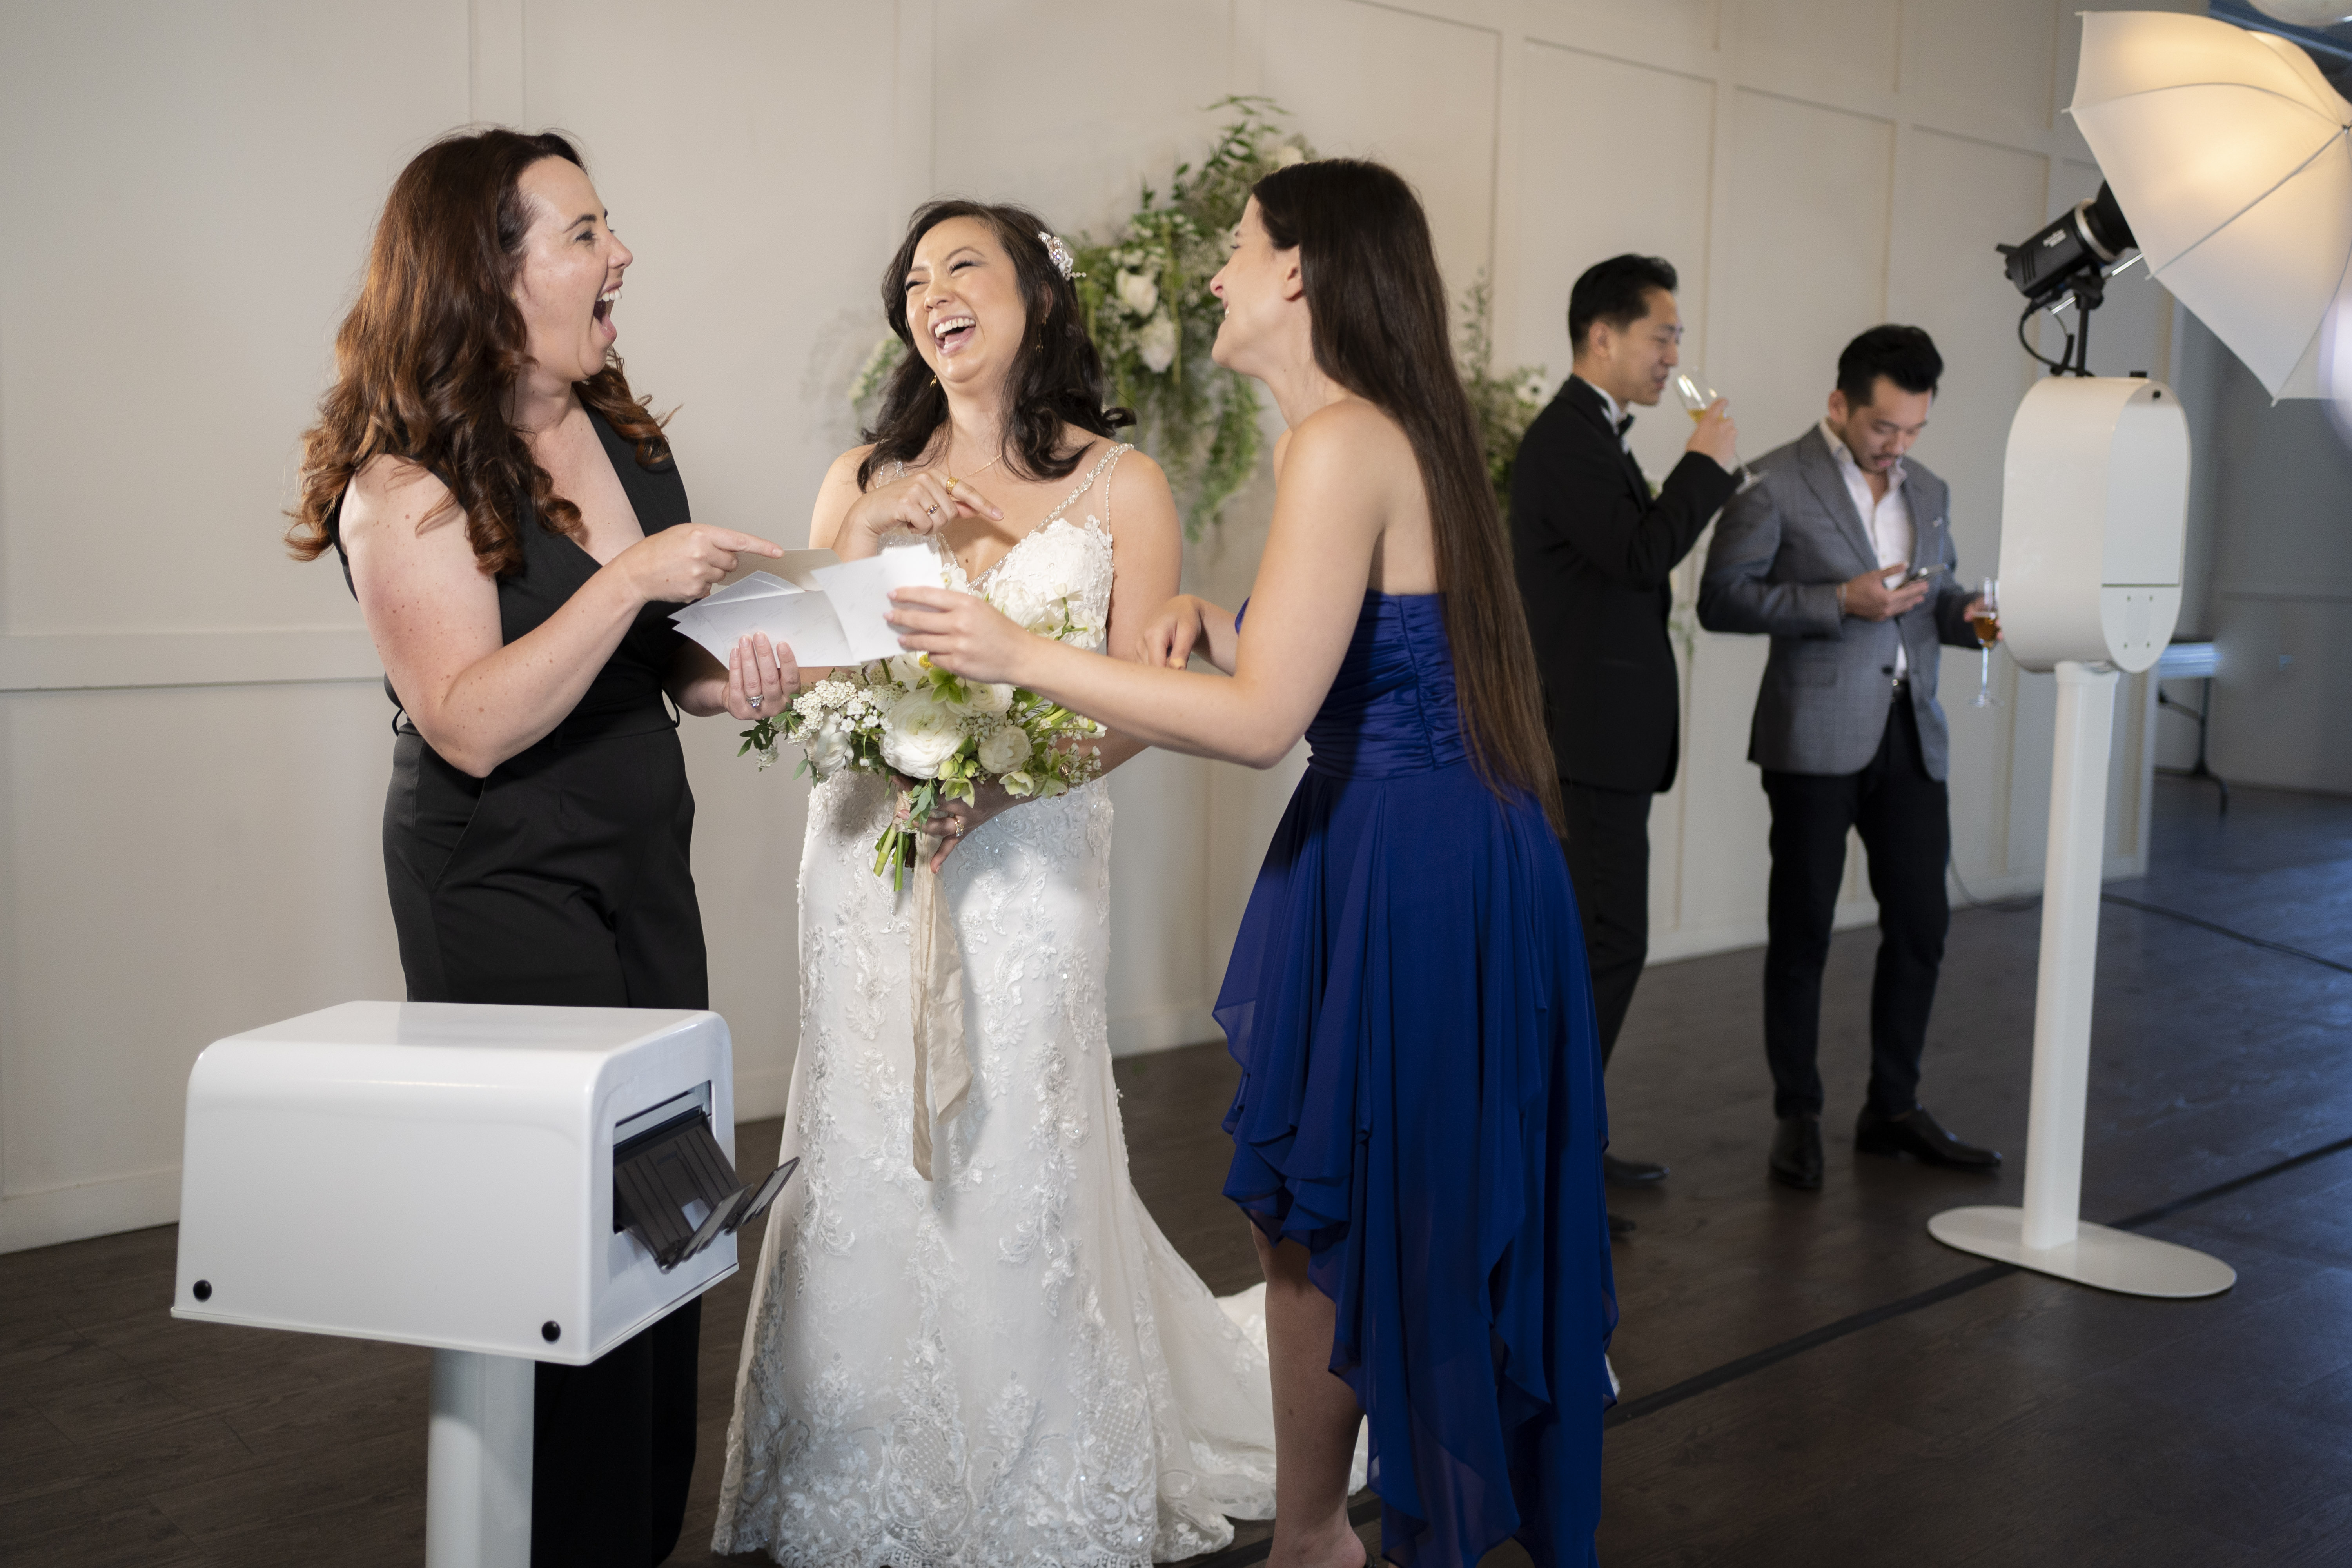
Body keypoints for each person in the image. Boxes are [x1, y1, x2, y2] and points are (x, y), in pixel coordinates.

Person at [887, 161, 1616, 1568]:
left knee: (1368, 1216)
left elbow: (1265, 725)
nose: (1218, 273)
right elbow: (1352, 661)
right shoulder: (1362, 434)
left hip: (1414, 861)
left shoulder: (1344, 440)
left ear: (1300, 271)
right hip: (1406, 843)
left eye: (1238, 248)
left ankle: (1317, 1534)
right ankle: (1309, 1533)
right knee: (1316, 1212)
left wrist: (1023, 654)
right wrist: (1228, 625)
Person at [711, 200, 1283, 1567]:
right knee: (860, 1143)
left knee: (1014, 1145)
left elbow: (1147, 700)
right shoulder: (864, 471)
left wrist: (1008, 777)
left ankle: (1036, 1476)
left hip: (1030, 867)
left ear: (1035, 295)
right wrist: (860, 539)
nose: (932, 292)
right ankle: (859, 1463)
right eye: (914, 278)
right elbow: (807, 657)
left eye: (962, 265)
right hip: (864, 860)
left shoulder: (1122, 486)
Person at [286, 128, 789, 1567]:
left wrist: (772, 662)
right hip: (499, 882)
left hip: (644, 868)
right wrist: (633, 572)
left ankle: (635, 1538)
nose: (617, 256)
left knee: (671, 1236)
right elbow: (470, 722)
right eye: (583, 234)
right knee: (570, 1256)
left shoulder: (624, 431)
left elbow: (667, 668)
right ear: (484, 275)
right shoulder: (403, 485)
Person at [1696, 325, 2001, 1192]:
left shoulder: (1930, 489)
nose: (1898, 447)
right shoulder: (1772, 481)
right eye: (1883, 428)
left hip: (1912, 733)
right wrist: (1840, 598)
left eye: (1913, 431)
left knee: (1922, 926)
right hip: (1813, 738)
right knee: (1803, 930)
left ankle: (1892, 1106)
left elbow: (1933, 599)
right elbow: (1722, 599)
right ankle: (1798, 1112)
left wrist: (1973, 616)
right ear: (1839, 404)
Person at [1510, 254, 1741, 1230]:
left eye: (1677, 337)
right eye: (1663, 334)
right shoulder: (1565, 439)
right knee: (1605, 945)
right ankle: (1553, 1162)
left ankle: (1572, 1148)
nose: (1674, 353)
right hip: (1584, 742)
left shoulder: (1593, 436)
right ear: (1600, 337)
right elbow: (1641, 552)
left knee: (1593, 947)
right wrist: (1708, 464)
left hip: (1600, 739)